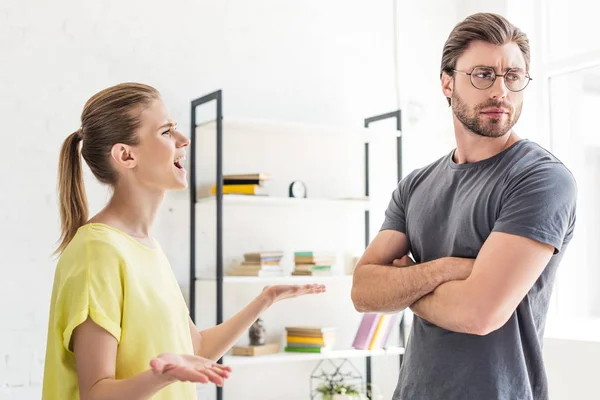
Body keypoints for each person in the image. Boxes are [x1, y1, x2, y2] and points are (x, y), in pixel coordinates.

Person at [42, 82, 326, 400]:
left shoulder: (146, 247)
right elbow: (96, 394)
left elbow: (197, 348)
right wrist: (163, 377)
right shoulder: (98, 252)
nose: (184, 140)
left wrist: (265, 299)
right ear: (125, 155)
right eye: (166, 132)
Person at [351, 12, 576, 400]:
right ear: (447, 83)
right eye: (483, 75)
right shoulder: (416, 185)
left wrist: (403, 287)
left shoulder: (540, 179)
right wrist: (448, 269)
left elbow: (479, 314)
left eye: (513, 77)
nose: (501, 91)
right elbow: (363, 292)